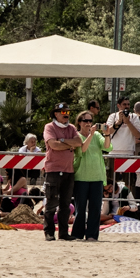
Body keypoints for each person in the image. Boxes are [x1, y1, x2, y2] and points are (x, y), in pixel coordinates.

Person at [38, 102, 82, 240]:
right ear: (56, 114)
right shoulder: (49, 127)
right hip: (53, 170)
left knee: (65, 205)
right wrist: (69, 144)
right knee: (51, 203)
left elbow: (78, 142)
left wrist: (62, 140)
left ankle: (63, 233)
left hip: (69, 170)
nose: (66, 115)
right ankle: (49, 232)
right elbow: (53, 145)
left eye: (68, 112)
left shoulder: (72, 127)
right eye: (63, 112)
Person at [71, 111, 108, 240]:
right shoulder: (76, 136)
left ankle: (92, 234)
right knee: (80, 209)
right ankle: (77, 234)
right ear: (79, 122)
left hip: (97, 176)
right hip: (81, 176)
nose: (88, 123)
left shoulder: (97, 135)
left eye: (90, 121)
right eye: (85, 121)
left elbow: (107, 147)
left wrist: (107, 134)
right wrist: (91, 134)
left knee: (95, 208)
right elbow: (82, 149)